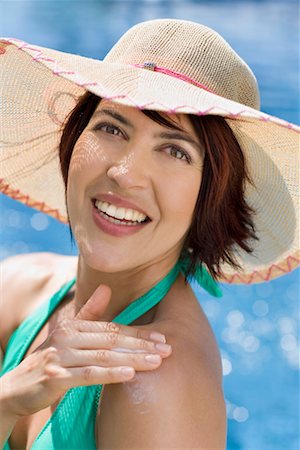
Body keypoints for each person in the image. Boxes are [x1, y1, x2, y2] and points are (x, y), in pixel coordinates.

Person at [0, 18, 298, 450]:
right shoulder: (19, 288)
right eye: (111, 127)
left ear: (209, 195)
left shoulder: (158, 382)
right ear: (72, 137)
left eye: (174, 150)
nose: (124, 174)